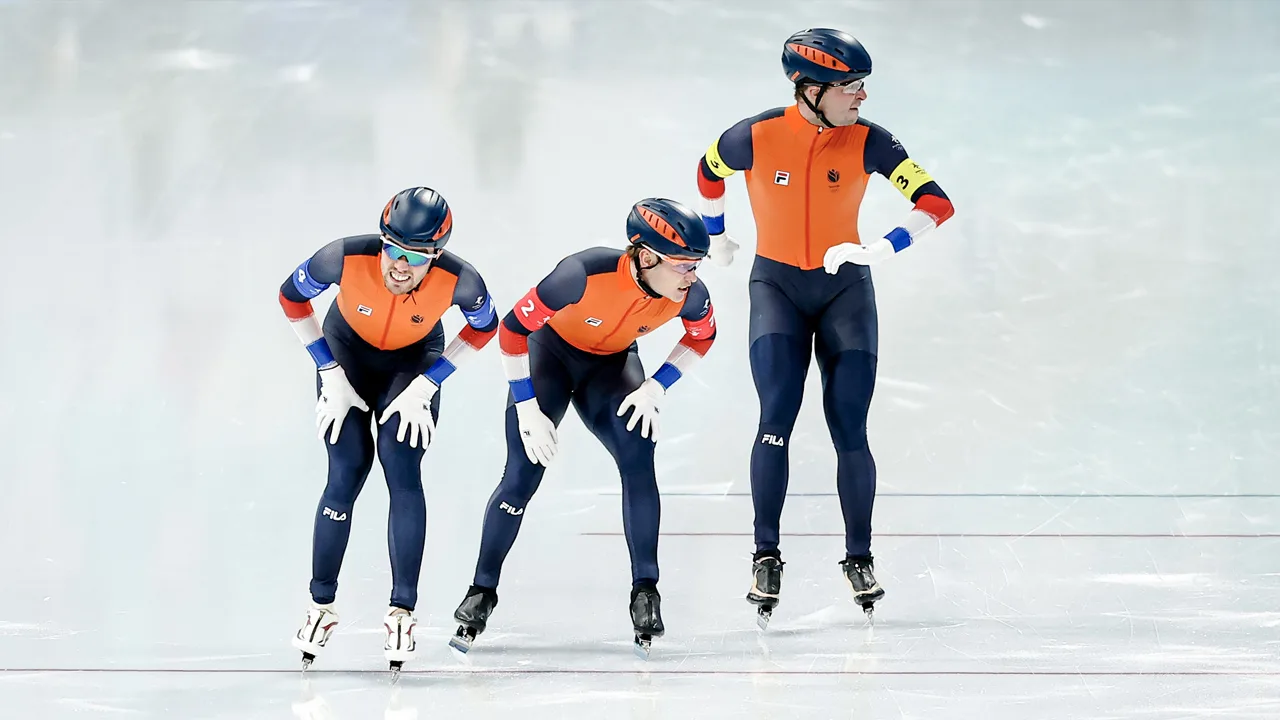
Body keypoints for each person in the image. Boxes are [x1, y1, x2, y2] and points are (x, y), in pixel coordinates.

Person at [694, 28, 956, 626]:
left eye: (861, 85)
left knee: (850, 429)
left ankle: (859, 557)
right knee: (775, 420)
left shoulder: (871, 141)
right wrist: (716, 235)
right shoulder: (754, 135)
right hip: (777, 291)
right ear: (809, 89)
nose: (861, 96)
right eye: (850, 87)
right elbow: (708, 171)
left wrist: (880, 249)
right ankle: (765, 555)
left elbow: (937, 204)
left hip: (845, 291)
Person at [447, 198, 718, 659]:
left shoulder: (690, 295)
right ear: (646, 257)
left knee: (638, 456)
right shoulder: (581, 273)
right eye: (683, 265)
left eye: (696, 265)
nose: (691, 276)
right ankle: (481, 591)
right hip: (549, 357)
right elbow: (512, 331)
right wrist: (526, 406)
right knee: (522, 473)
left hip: (611, 367)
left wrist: (657, 386)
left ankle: (645, 590)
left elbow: (703, 336)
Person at [277, 187, 499, 672]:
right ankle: (320, 605)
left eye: (415, 257)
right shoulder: (342, 257)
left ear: (435, 256)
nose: (400, 265)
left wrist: (429, 383)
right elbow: (291, 298)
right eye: (393, 250)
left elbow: (486, 327)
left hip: (412, 363)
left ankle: (402, 612)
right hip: (346, 355)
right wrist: (329, 372)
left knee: (401, 465)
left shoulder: (461, 281)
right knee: (346, 469)